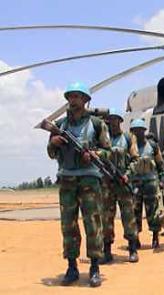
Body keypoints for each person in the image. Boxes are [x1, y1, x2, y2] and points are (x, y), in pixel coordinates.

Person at [47, 82, 110, 287]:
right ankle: (72, 267)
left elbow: (108, 152)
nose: (72, 100)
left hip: (89, 180)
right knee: (68, 225)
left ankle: (94, 267)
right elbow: (50, 153)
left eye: (77, 97)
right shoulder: (61, 125)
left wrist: (93, 154)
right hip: (67, 179)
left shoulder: (97, 124)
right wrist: (53, 142)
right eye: (70, 97)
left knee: (93, 223)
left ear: (85, 100)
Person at [101, 109, 139, 264]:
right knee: (106, 218)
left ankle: (132, 249)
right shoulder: (103, 139)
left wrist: (127, 175)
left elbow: (136, 159)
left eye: (116, 119)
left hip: (123, 183)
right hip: (107, 184)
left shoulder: (128, 138)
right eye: (110, 119)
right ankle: (107, 250)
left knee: (128, 217)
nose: (113, 122)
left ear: (120, 121)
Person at [128, 119, 163, 249]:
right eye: (135, 131)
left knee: (153, 211)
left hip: (150, 183)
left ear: (144, 131)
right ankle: (135, 238)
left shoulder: (153, 146)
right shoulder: (130, 146)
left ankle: (155, 237)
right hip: (135, 183)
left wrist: (162, 179)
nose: (137, 133)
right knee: (134, 211)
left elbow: (160, 163)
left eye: (140, 130)